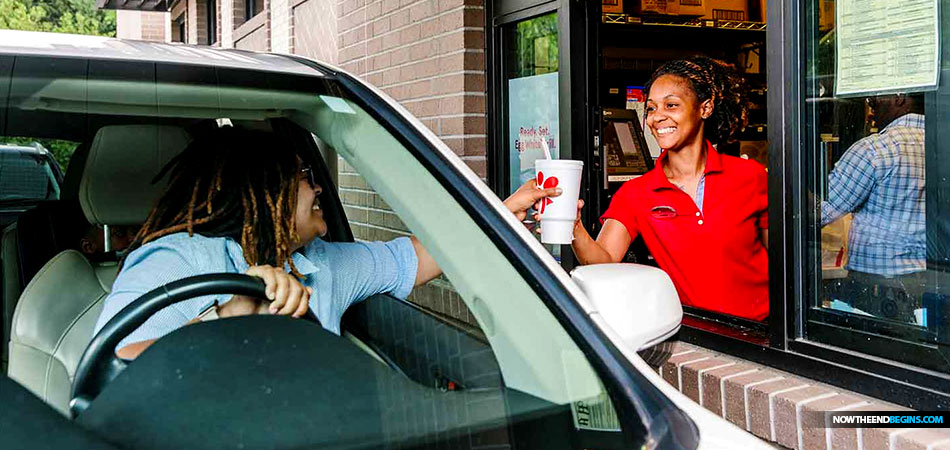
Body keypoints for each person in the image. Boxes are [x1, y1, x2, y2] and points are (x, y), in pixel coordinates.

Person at [94, 126, 560, 359]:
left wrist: (504, 212)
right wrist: (227, 315)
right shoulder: (179, 259)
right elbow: (116, 364)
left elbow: (416, 258)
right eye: (304, 177)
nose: (319, 189)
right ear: (264, 190)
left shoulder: (321, 264)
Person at [569, 56, 770, 321]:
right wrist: (573, 226)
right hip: (698, 335)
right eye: (651, 109)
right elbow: (603, 262)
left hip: (766, 332)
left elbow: (783, 261)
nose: (657, 117)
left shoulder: (750, 176)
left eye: (671, 105)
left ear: (705, 108)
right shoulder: (636, 193)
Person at [820, 93, 926, 322]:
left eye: (874, 99)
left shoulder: (876, 149)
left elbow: (821, 211)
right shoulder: (941, 143)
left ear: (900, 97)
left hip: (878, 284)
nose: (870, 107)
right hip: (933, 280)